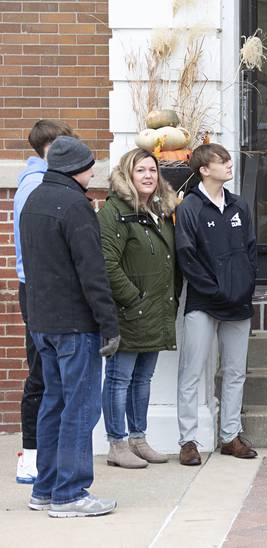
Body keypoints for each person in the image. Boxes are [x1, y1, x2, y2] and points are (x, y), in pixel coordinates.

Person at [19, 135, 120, 517]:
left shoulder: (33, 200)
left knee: (53, 403)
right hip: (74, 324)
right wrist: (108, 324)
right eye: (91, 165)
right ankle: (70, 493)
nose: (94, 170)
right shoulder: (76, 206)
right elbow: (92, 272)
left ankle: (45, 489)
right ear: (79, 169)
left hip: (42, 319)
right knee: (80, 407)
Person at [175, 143, 258, 466]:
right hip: (203, 302)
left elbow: (250, 252)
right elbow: (187, 257)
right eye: (220, 161)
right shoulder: (190, 208)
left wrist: (244, 286)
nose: (228, 164)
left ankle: (230, 436)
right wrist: (215, 290)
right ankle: (188, 441)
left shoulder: (239, 206)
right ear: (204, 170)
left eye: (228, 160)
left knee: (235, 371)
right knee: (192, 371)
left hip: (238, 302)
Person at [98, 148, 179, 468]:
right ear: (127, 176)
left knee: (143, 379)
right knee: (119, 378)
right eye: (140, 171)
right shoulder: (114, 211)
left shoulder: (160, 210)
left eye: (153, 170)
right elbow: (106, 263)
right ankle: (116, 444)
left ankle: (138, 439)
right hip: (129, 311)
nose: (148, 176)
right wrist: (134, 298)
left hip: (155, 310)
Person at [12, 120, 74, 484]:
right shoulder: (36, 185)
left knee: (46, 371)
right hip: (38, 287)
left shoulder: (43, 181)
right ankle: (31, 455)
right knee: (40, 372)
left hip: (40, 287)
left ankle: (43, 454)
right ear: (50, 148)